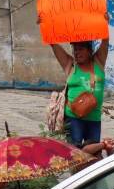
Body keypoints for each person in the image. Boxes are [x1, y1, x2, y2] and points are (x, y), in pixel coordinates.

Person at [43, 15, 109, 147]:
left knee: (93, 151)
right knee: (74, 149)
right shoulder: (70, 65)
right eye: (75, 50)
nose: (77, 53)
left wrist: (105, 23)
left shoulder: (98, 62)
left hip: (94, 118)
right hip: (73, 118)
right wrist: (45, 24)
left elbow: (105, 41)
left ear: (89, 51)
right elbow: (53, 44)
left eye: (81, 49)